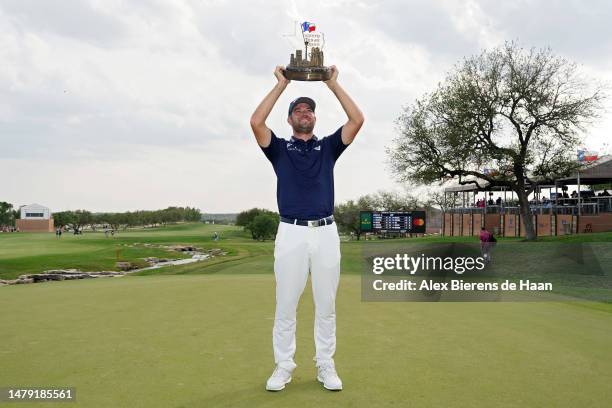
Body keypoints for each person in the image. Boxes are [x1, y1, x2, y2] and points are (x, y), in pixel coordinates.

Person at [250, 65, 364, 392]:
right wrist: (282, 84)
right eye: (298, 110)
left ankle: (325, 365)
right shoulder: (279, 150)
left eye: (309, 111)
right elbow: (256, 122)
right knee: (286, 304)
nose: (305, 113)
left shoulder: (328, 147)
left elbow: (357, 120)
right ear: (289, 119)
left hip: (326, 232)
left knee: (325, 306)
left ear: (315, 119)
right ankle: (283, 366)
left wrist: (333, 83)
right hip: (291, 232)